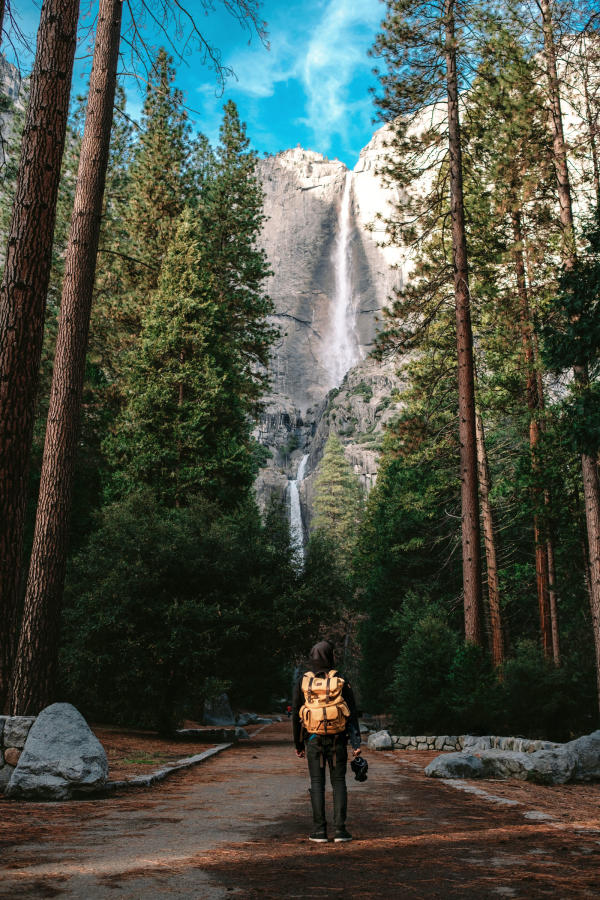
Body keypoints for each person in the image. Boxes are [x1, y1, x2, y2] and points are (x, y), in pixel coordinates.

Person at [292, 639, 362, 843]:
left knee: (317, 783)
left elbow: (296, 715)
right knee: (339, 783)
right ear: (331, 656)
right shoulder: (340, 678)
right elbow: (352, 713)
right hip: (338, 739)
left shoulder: (304, 681)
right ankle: (340, 831)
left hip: (313, 739)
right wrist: (356, 743)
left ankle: (319, 831)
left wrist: (298, 744)